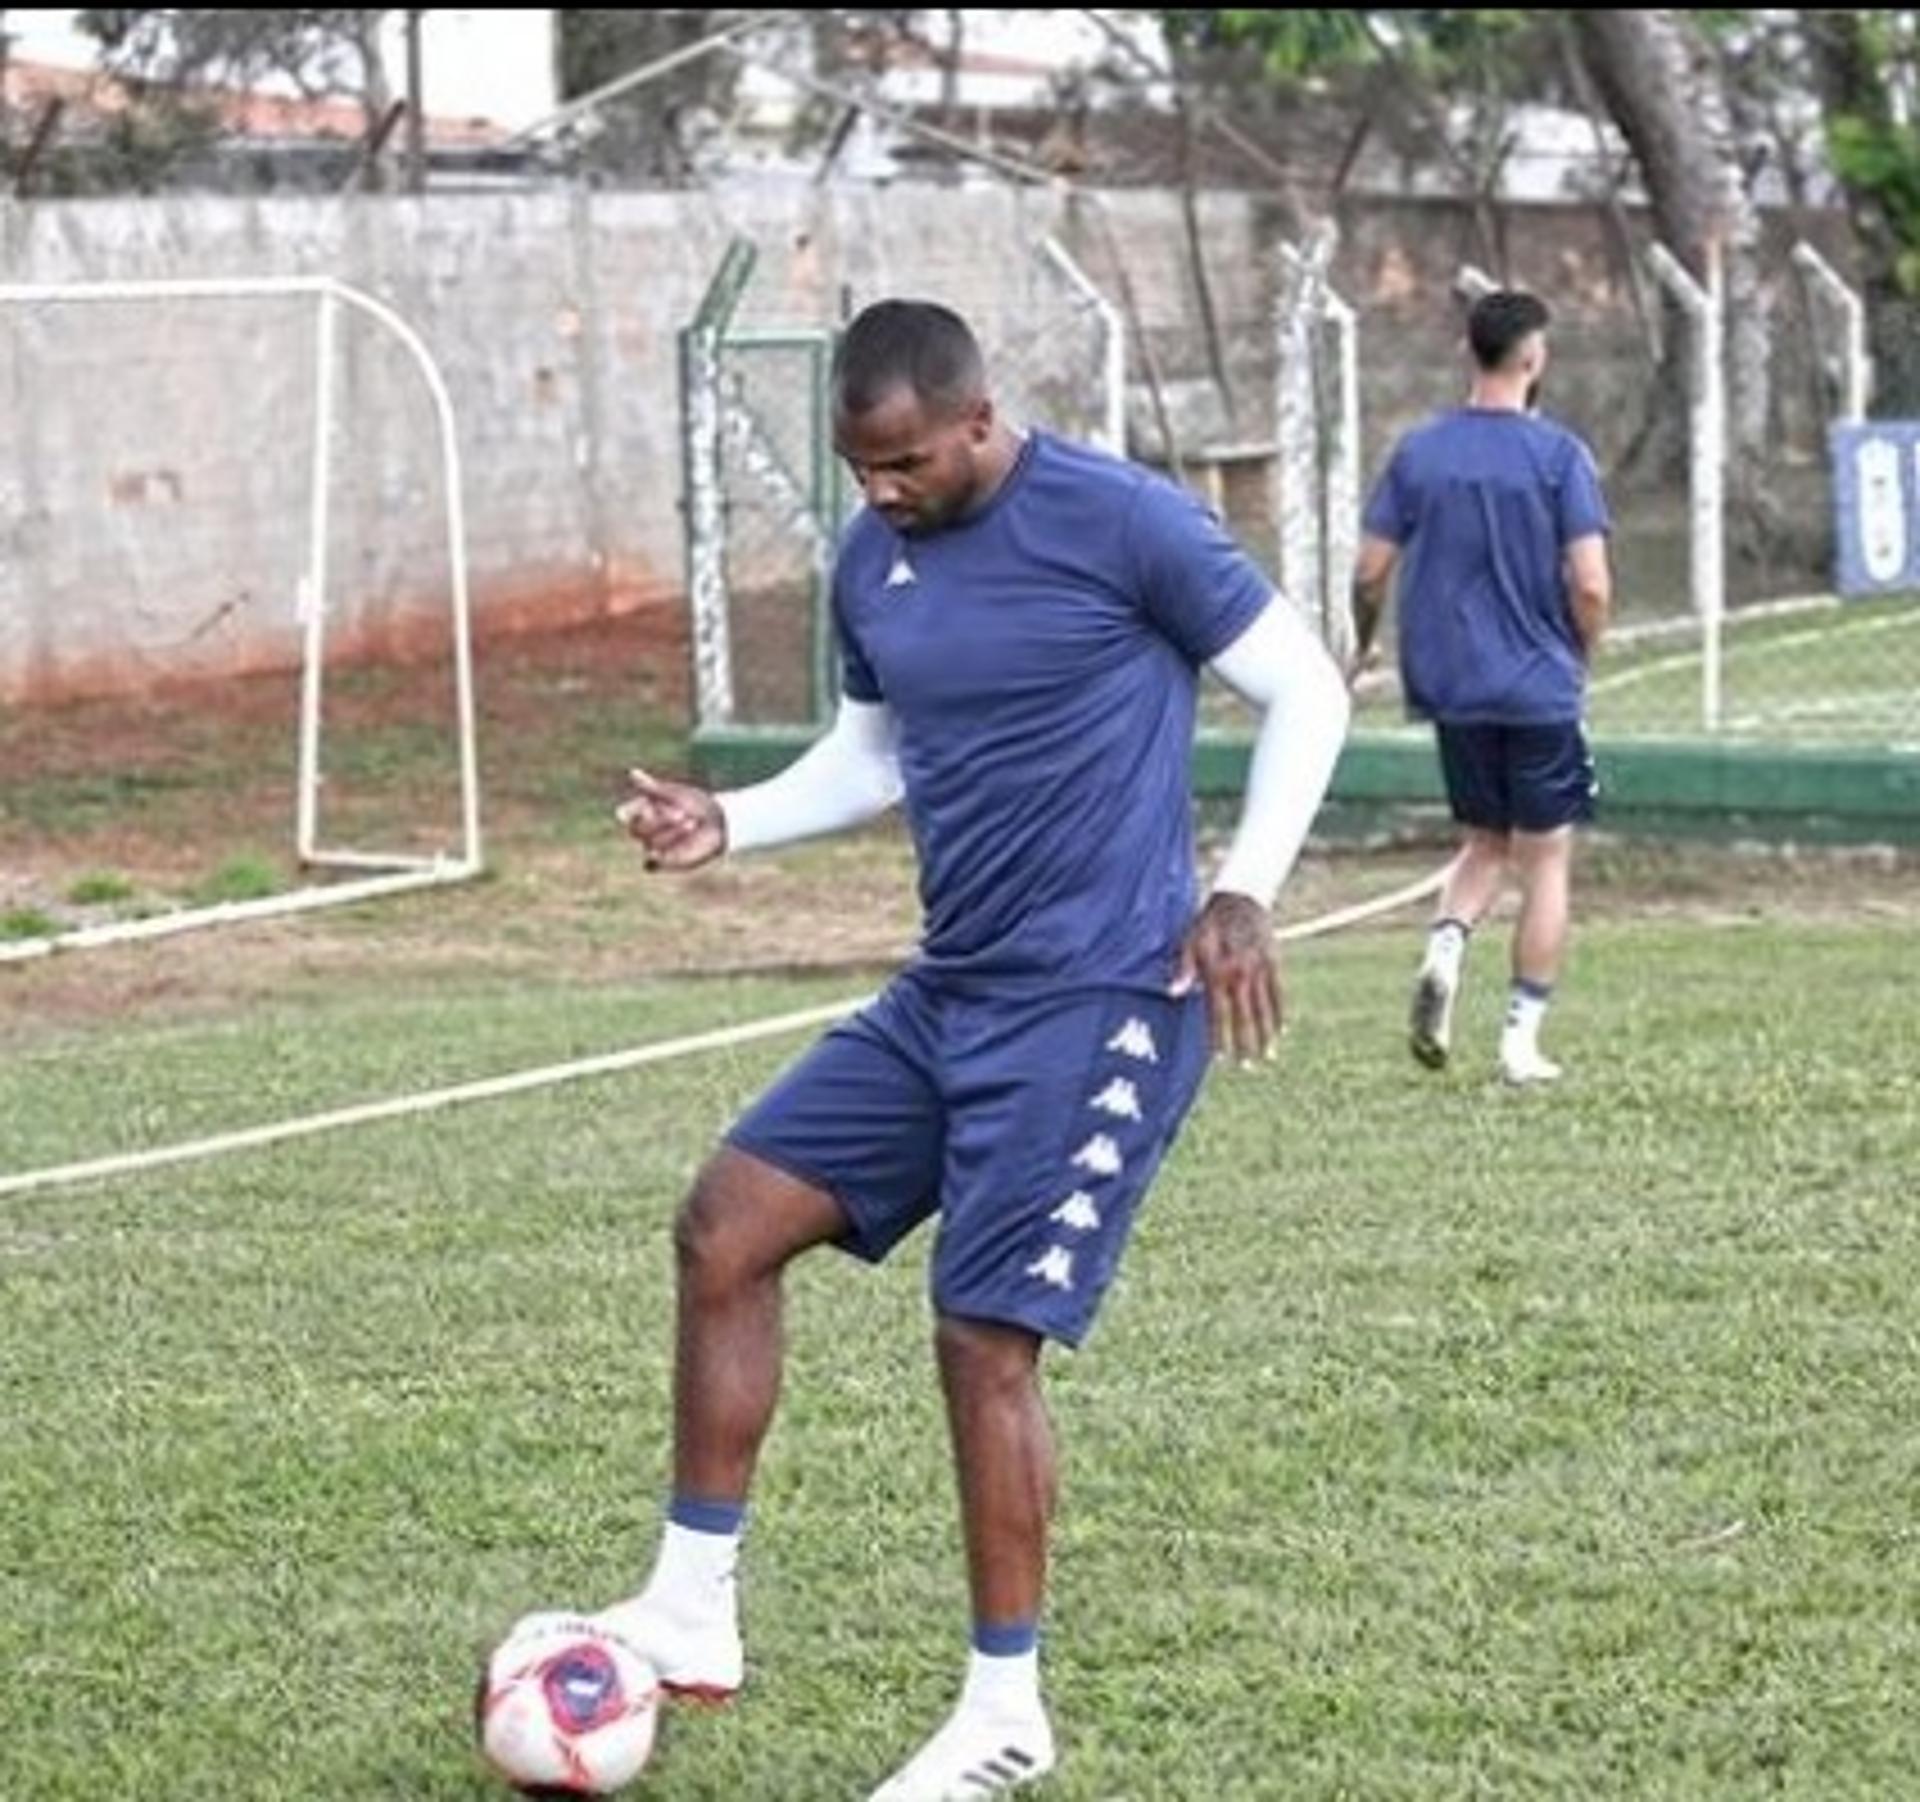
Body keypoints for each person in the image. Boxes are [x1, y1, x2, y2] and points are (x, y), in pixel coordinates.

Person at [595, 298, 1349, 1800]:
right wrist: (730, 819)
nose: (881, 491)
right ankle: (690, 1606)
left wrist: (1243, 888)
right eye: (859, 467)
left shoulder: (1126, 520)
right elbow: (870, 756)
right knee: (726, 1226)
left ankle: (1004, 1706)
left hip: (1108, 1000)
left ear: (980, 420)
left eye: (906, 461)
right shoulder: (870, 558)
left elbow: (1307, 688)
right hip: (954, 990)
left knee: (981, 1340)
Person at [1349, 288, 1612, 1086]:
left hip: (1453, 686)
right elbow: (1592, 583)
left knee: (1481, 844)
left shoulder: (1420, 453)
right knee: (1547, 860)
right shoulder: (1560, 456)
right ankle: (1521, 1041)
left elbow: (1369, 570)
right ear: (1534, 359)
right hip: (1537, 685)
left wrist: (1362, 646)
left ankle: (1445, 946)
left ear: (1470, 353)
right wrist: (1583, 654)